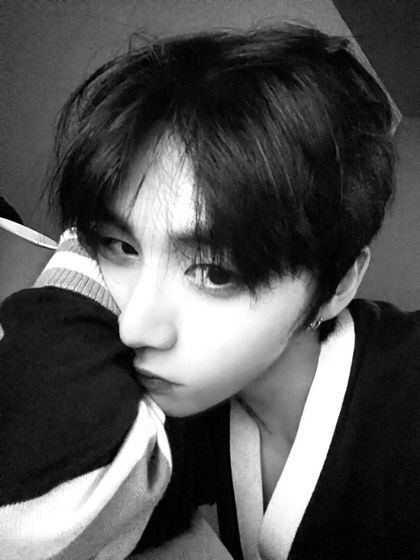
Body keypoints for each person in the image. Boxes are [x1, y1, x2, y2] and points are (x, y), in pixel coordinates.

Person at [0, 23, 419, 560]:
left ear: (337, 284)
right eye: (120, 246)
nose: (133, 327)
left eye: (215, 273)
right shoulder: (181, 407)